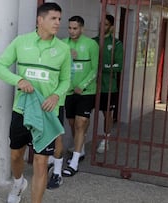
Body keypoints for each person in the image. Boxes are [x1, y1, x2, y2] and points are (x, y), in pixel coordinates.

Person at [0, 3, 71, 203]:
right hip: (22, 110)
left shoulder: (63, 49)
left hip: (48, 112)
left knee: (41, 161)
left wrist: (56, 96)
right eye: (53, 18)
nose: (58, 23)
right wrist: (18, 80)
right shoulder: (21, 42)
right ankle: (18, 183)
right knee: (16, 155)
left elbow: (66, 80)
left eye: (59, 19)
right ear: (40, 20)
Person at [60, 16, 99, 177]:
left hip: (86, 92)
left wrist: (82, 86)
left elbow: (95, 69)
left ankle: (74, 161)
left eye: (75, 28)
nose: (71, 31)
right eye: (69, 28)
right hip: (67, 91)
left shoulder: (91, 44)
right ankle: (80, 148)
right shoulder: (62, 44)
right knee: (72, 124)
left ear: (82, 29)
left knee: (81, 123)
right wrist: (68, 56)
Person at [93, 14, 123, 153]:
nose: (101, 27)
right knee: (83, 116)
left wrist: (101, 68)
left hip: (108, 87)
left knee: (107, 114)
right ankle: (79, 144)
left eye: (105, 24)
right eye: (100, 24)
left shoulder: (116, 44)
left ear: (111, 27)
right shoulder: (93, 42)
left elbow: (118, 66)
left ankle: (106, 139)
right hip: (91, 87)